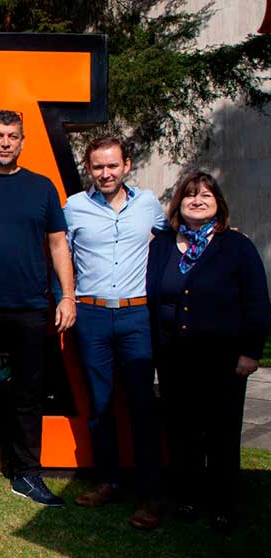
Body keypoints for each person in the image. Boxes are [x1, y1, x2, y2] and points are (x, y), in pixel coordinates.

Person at [0, 109, 76, 507]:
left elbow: (59, 245)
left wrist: (68, 296)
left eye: (12, 136)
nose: (5, 142)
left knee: (29, 394)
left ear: (23, 142)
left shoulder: (42, 188)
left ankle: (27, 474)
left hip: (31, 307)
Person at [146, 171, 270, 533]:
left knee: (222, 433)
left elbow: (257, 302)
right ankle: (187, 497)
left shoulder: (236, 245)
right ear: (178, 204)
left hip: (222, 359)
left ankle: (224, 503)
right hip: (174, 358)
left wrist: (250, 352)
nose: (197, 201)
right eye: (189, 195)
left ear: (218, 204)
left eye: (206, 196)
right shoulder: (163, 245)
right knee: (182, 431)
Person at [64, 137, 167, 529]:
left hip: (136, 316)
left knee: (142, 405)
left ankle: (149, 495)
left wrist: (223, 233)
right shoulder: (73, 208)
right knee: (100, 405)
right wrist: (65, 299)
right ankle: (108, 482)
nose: (105, 173)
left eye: (112, 166)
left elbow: (175, 239)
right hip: (90, 316)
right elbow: (59, 256)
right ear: (89, 169)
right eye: (97, 167)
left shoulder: (149, 205)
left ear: (127, 166)